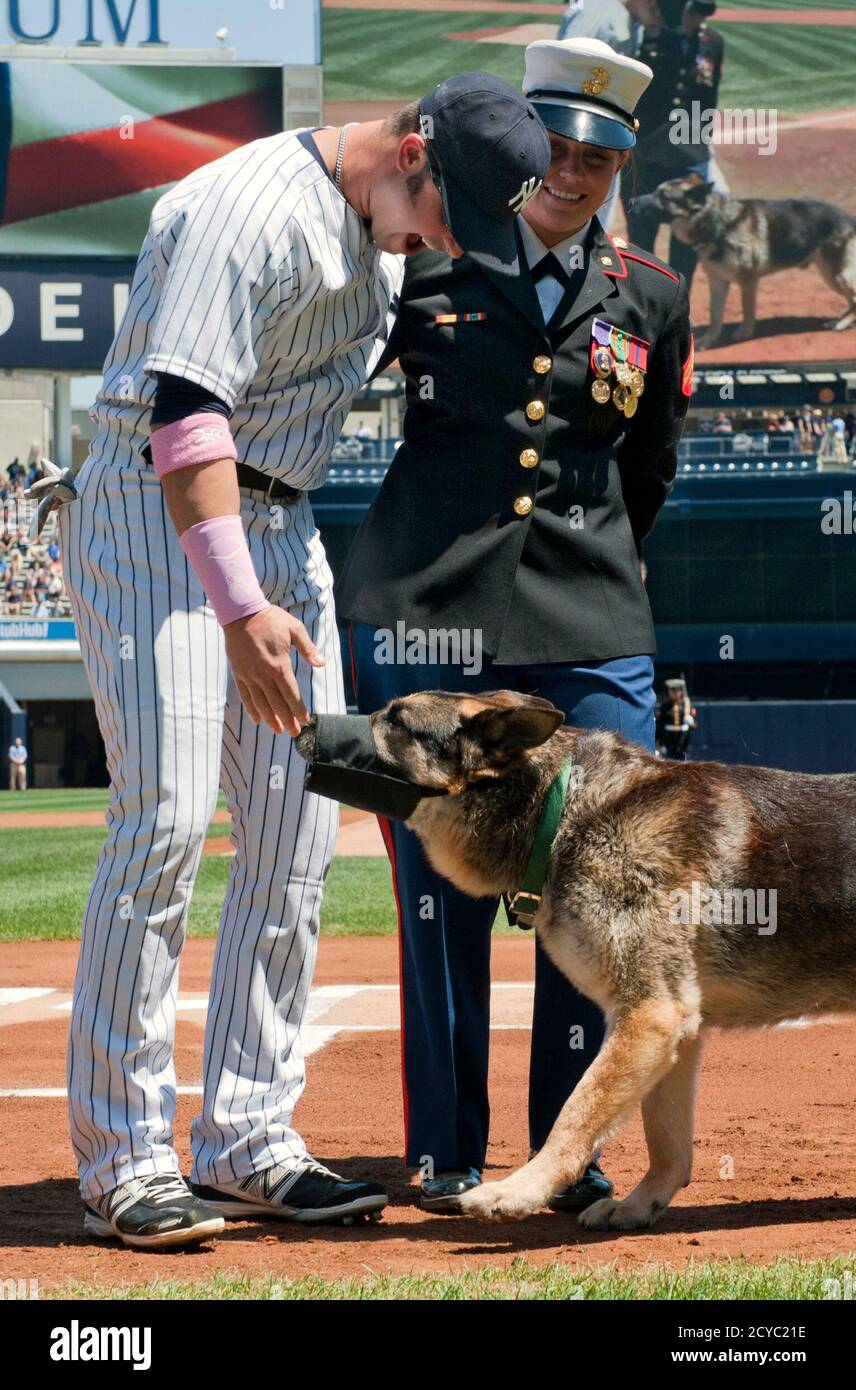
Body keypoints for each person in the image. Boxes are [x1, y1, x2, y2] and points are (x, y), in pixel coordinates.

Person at [32, 76, 550, 1250]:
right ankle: (124, 1159)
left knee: (298, 835)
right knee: (165, 822)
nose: (446, 243)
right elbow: (182, 418)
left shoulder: (386, 225)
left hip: (282, 520)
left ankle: (248, 1140)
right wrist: (238, 607)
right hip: (157, 513)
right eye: (448, 212)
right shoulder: (246, 208)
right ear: (409, 153)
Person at [338, 37, 693, 1212]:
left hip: (589, 617)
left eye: (601, 157)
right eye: (557, 149)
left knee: (594, 885)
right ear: (521, 148)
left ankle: (564, 1154)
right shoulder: (423, 266)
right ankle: (445, 1149)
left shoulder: (652, 293)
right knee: (438, 892)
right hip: (432, 611)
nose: (574, 173)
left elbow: (647, 469)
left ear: (621, 166)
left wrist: (601, 576)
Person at [626, 0, 726, 288]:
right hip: (647, 155)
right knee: (640, 242)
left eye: (700, 13)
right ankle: (641, 304)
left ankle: (679, 302)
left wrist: (701, 141)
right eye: (690, 11)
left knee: (687, 243)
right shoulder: (646, 40)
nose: (696, 19)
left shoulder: (712, 43)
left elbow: (709, 98)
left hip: (689, 156)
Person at [656, 677, 696, 758]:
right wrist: (660, 744)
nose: (674, 693)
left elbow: (695, 725)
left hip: (683, 742)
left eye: (677, 690)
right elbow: (659, 726)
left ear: (681, 691)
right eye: (672, 690)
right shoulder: (664, 707)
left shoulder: (687, 706)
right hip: (668, 742)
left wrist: (690, 721)